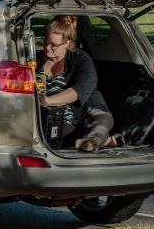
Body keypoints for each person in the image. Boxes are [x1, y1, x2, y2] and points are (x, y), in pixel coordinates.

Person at [37, 15, 119, 152]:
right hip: (53, 116)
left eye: (53, 45)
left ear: (67, 43)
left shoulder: (82, 59)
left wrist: (47, 100)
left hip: (86, 110)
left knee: (99, 122)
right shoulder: (37, 61)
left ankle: (94, 141)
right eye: (45, 41)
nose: (47, 47)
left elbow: (77, 92)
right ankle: (105, 141)